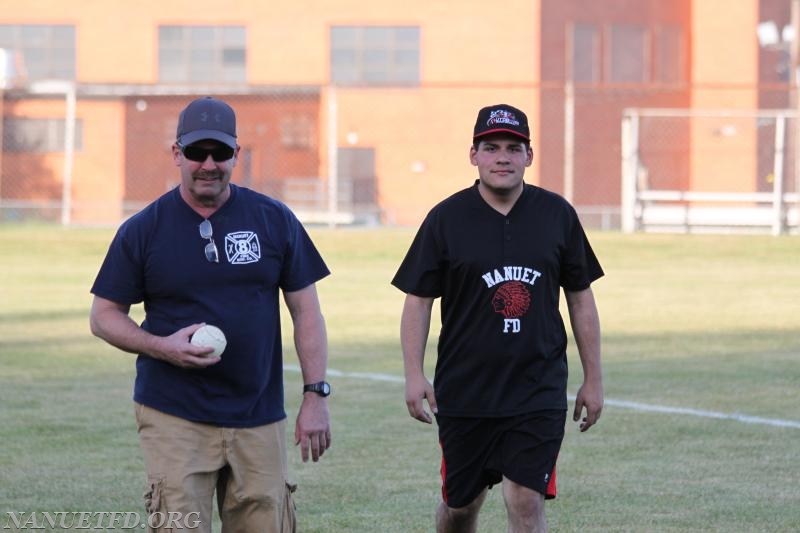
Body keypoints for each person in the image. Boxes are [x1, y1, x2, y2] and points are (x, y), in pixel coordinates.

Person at [89, 96, 332, 533]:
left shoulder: (274, 219)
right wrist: (161, 347)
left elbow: (307, 312)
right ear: (177, 153)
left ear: (236, 155)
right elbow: (103, 315)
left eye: (219, 153)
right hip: (174, 414)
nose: (208, 164)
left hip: (259, 413)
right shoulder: (144, 229)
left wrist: (315, 395)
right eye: (197, 152)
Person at [392, 104, 604, 533]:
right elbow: (418, 301)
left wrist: (593, 378)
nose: (502, 157)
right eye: (491, 148)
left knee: (524, 500)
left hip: (536, 388)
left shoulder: (557, 215)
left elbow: (581, 298)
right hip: (465, 390)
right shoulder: (446, 219)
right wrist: (414, 375)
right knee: (460, 509)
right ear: (474, 155)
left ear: (529, 155)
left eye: (513, 147)